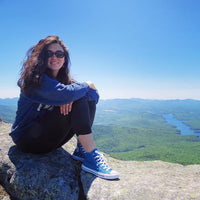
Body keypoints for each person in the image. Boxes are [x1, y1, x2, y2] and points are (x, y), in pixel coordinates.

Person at [10, 35, 119, 180]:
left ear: (64, 58)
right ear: (41, 57)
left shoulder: (65, 82)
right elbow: (70, 93)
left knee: (81, 97)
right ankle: (91, 156)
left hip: (49, 139)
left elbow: (93, 98)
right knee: (78, 96)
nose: (55, 57)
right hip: (27, 140)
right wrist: (88, 84)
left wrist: (72, 97)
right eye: (49, 53)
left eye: (59, 54)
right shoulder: (34, 81)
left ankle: (82, 150)